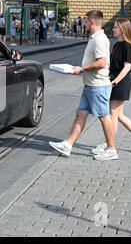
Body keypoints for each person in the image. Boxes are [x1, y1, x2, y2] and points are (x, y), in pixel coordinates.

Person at [49, 10, 118, 161]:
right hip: (90, 85)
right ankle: (68, 144)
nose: (84, 24)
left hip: (97, 85)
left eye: (85, 21)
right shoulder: (95, 37)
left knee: (104, 117)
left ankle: (112, 149)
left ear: (92, 22)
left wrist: (81, 69)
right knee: (81, 114)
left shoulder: (99, 39)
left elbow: (102, 62)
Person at [92, 18, 131, 155]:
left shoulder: (127, 46)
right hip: (114, 82)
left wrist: (114, 82)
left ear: (123, 29)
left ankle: (109, 145)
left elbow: (127, 67)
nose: (113, 29)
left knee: (113, 114)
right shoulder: (117, 45)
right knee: (118, 115)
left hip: (120, 83)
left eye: (116, 27)